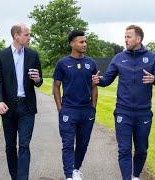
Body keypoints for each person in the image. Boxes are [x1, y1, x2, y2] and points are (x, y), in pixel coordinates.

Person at [92, 25, 155, 180]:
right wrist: (99, 80)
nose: (125, 40)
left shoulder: (152, 58)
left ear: (138, 39)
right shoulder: (119, 58)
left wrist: (154, 79)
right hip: (123, 112)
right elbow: (107, 80)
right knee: (124, 149)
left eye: (129, 37)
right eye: (125, 37)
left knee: (141, 150)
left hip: (143, 112)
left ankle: (135, 176)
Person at [0, 23, 43, 180]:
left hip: (27, 107)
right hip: (8, 107)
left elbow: (39, 81)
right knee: (10, 146)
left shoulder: (33, 55)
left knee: (25, 145)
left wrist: (38, 79)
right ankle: (15, 176)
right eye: (27, 34)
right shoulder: (1, 56)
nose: (29, 37)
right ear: (16, 36)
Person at [53, 30, 98, 180]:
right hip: (69, 111)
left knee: (83, 144)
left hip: (87, 111)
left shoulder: (91, 63)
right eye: (81, 42)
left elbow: (94, 86)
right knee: (67, 144)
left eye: (85, 41)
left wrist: (93, 108)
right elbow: (56, 87)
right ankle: (69, 176)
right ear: (72, 44)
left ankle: (76, 169)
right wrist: (60, 109)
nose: (84, 44)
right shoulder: (62, 63)